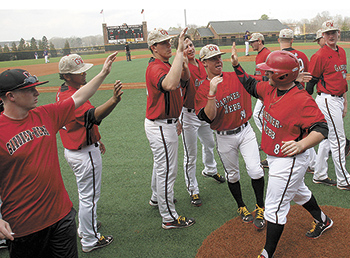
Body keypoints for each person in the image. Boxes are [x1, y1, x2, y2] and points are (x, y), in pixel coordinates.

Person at [0, 51, 118, 258]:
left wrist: (103, 73)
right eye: (29, 89)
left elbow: (79, 97)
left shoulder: (45, 114)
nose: (36, 92)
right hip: (24, 225)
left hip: (61, 216)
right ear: (10, 96)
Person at [231, 44, 333, 258]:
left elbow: (322, 128)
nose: (265, 73)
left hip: (290, 159)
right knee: (298, 193)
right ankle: (323, 220)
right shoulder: (270, 88)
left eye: (270, 71)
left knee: (274, 208)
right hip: (275, 156)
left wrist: (301, 144)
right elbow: (250, 85)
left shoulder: (301, 99)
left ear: (283, 75)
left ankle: (267, 253)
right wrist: (236, 65)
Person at [195, 44, 266, 230]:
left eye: (219, 57)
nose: (218, 61)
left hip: (245, 131)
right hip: (224, 136)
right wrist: (211, 93)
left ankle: (260, 207)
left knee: (256, 171)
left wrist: (237, 65)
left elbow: (258, 81)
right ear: (204, 63)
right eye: (213, 59)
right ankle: (241, 206)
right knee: (233, 175)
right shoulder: (203, 89)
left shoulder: (235, 76)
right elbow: (208, 117)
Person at [56, 54, 123, 252]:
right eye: (78, 72)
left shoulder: (65, 91)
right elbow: (93, 116)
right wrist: (113, 100)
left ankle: (85, 228)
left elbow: (83, 124)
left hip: (76, 148)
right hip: (83, 153)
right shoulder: (71, 97)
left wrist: (97, 137)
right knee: (89, 198)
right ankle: (90, 240)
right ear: (67, 76)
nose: (84, 73)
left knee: (85, 195)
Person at [145, 27, 196, 229]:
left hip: (167, 122)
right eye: (164, 43)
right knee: (167, 171)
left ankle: (156, 198)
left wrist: (176, 119)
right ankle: (169, 218)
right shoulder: (155, 67)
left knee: (161, 165)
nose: (169, 45)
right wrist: (179, 53)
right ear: (153, 47)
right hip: (160, 125)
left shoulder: (165, 64)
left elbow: (184, 80)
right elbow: (170, 85)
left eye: (169, 42)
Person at [173, 35, 225, 207]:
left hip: (203, 112)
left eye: (191, 45)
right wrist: (177, 118)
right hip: (188, 115)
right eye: (185, 46)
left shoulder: (202, 64)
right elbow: (180, 90)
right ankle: (193, 190)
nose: (190, 48)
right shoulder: (183, 67)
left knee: (210, 143)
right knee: (190, 155)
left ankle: (210, 169)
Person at [306, 20, 350, 191]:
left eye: (334, 32)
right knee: (338, 140)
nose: (331, 36)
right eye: (327, 33)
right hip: (327, 99)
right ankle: (344, 180)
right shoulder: (319, 56)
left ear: (338, 33)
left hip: (338, 99)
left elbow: (342, 78)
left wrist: (345, 101)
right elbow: (311, 83)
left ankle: (319, 174)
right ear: (323, 36)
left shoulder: (343, 52)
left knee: (326, 138)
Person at [278, 28, 318, 174]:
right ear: (292, 40)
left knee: (290, 128)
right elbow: (309, 76)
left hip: (284, 94)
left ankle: (306, 160)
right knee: (304, 128)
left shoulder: (277, 56)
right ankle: (312, 163)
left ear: (278, 40)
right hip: (301, 93)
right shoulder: (301, 55)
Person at [248, 33, 271, 141]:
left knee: (257, 115)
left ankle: (269, 139)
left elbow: (269, 76)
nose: (251, 44)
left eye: (253, 42)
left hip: (267, 90)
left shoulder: (267, 54)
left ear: (259, 41)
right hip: (262, 89)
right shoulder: (260, 54)